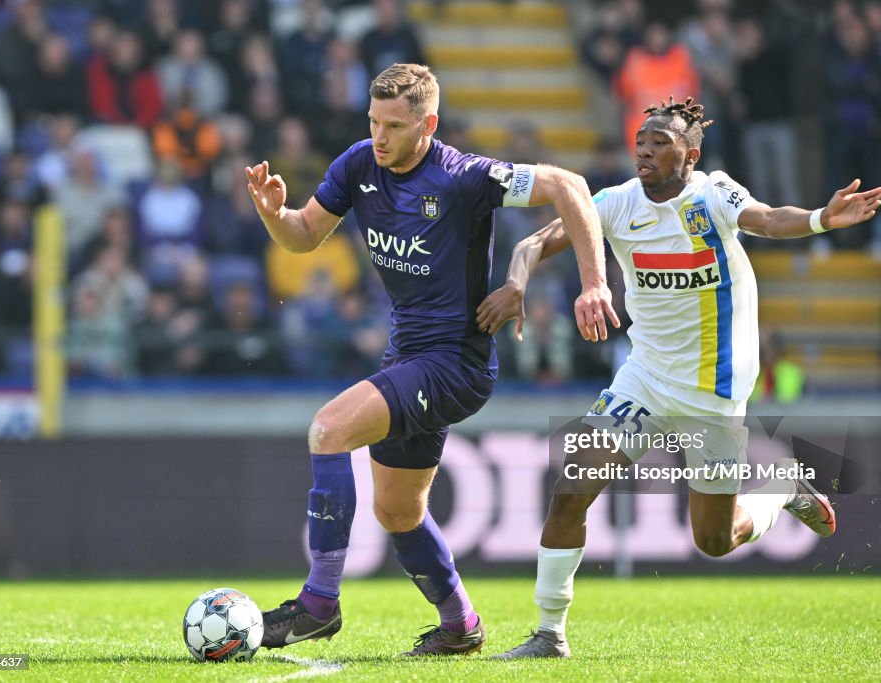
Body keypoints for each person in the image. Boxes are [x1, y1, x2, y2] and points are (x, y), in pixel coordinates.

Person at [477, 97, 881, 658]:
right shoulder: (617, 203)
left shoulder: (713, 192)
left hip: (713, 391)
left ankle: (780, 489)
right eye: (641, 139)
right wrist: (517, 282)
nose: (644, 148)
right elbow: (531, 242)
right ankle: (550, 633)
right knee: (572, 486)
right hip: (644, 379)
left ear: (690, 155)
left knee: (714, 541)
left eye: (660, 141)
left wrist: (821, 218)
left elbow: (766, 219)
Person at [244, 63, 618, 655]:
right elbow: (305, 235)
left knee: (328, 430)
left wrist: (593, 282)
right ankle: (460, 626)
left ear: (429, 124)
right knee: (398, 511)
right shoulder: (359, 164)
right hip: (408, 358)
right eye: (373, 121)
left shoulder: (464, 176)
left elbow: (570, 185)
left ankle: (318, 604)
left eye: (394, 125)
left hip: (457, 363)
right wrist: (274, 215)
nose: (380, 136)